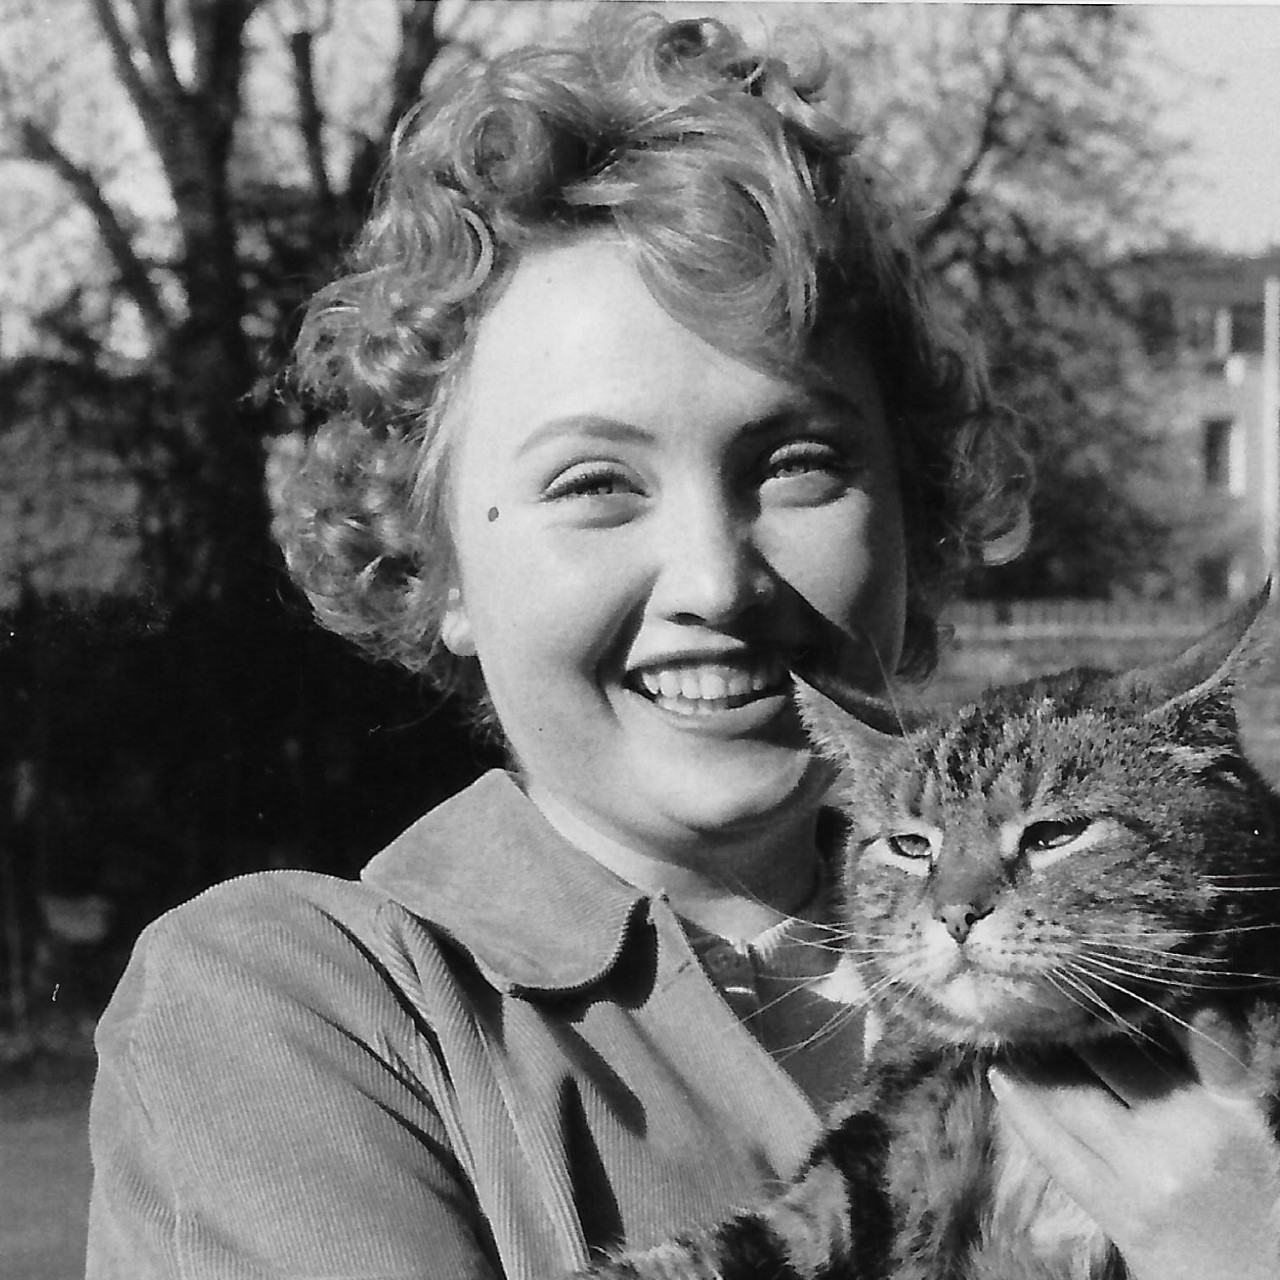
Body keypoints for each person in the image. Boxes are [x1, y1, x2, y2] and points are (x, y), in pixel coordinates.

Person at [85, 11, 1279, 1280]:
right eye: (594, 482)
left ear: (915, 513)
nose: (715, 578)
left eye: (796, 462)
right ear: (434, 564)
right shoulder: (295, 1002)